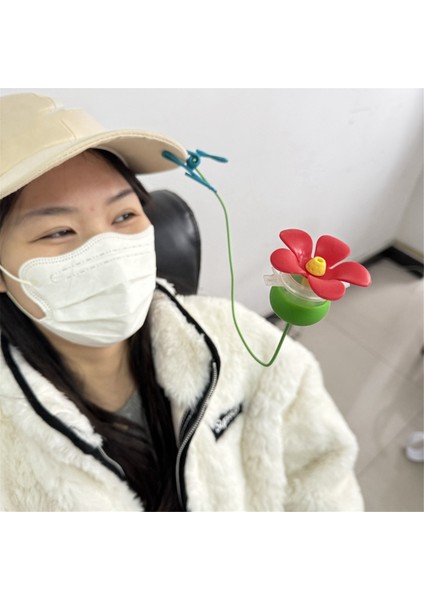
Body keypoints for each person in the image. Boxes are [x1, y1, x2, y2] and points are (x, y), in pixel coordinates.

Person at [0, 92, 364, 511]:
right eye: (58, 231)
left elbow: (325, 472)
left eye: (124, 216)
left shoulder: (238, 339)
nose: (109, 251)